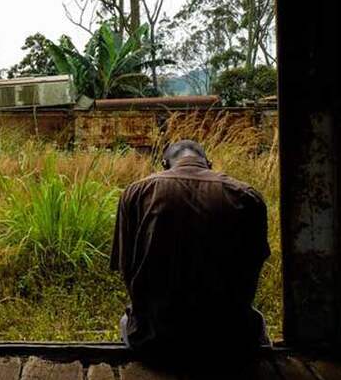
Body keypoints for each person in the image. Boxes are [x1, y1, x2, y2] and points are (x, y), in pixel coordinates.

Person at [110, 139, 270, 359]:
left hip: (154, 340)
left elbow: (126, 267)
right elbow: (253, 267)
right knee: (256, 324)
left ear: (164, 164)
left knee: (126, 322)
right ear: (209, 163)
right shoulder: (247, 196)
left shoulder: (136, 192)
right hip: (230, 340)